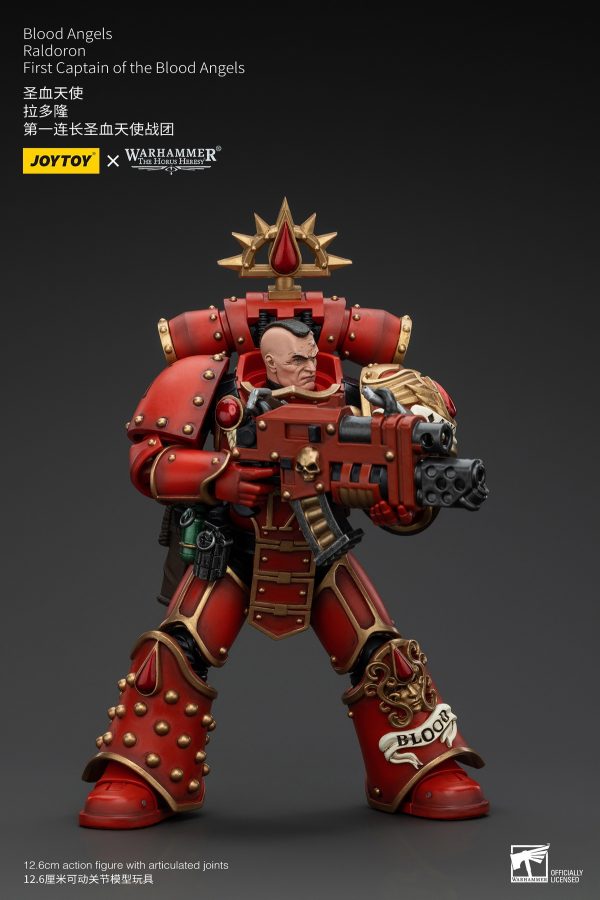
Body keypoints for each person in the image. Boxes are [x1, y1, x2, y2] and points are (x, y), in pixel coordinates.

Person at [80, 201, 489, 828]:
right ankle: (141, 769)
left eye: (310, 353)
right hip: (231, 546)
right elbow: (149, 461)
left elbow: (397, 482)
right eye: (291, 358)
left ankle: (419, 764)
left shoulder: (357, 394)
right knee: (179, 647)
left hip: (320, 547)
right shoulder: (212, 383)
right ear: (265, 361)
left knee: (378, 648)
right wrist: (221, 478)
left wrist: (396, 502)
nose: (305, 366)